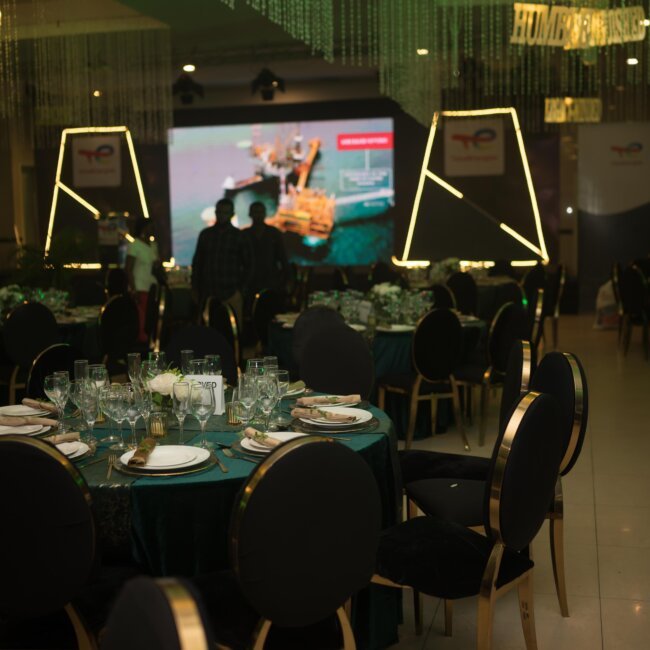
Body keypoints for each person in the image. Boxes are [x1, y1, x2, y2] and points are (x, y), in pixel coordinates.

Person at [191, 198, 252, 327]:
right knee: (208, 330)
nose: (222, 215)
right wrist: (195, 288)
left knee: (232, 330)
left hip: (232, 292)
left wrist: (241, 290)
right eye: (219, 212)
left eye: (225, 212)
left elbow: (248, 265)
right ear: (216, 213)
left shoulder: (239, 236)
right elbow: (198, 263)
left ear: (232, 214)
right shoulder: (206, 235)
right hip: (208, 292)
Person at [125, 217, 159, 343]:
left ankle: (150, 341)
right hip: (140, 286)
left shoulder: (153, 245)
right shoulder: (135, 245)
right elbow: (128, 268)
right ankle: (142, 343)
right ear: (144, 228)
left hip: (152, 286)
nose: (153, 229)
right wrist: (133, 288)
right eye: (151, 227)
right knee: (142, 318)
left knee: (151, 317)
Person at [244, 201, 289, 294]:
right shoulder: (244, 235)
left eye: (260, 212)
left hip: (270, 281)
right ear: (250, 214)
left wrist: (285, 281)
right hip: (250, 282)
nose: (258, 215)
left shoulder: (274, 233)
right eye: (256, 212)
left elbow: (283, 258)